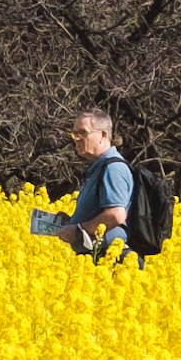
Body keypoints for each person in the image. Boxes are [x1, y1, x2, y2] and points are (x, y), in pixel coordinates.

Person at [30, 105, 139, 263]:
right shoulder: (100, 167)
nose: (77, 138)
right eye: (74, 133)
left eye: (83, 132)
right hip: (96, 257)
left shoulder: (113, 168)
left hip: (110, 260)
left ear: (102, 135)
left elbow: (116, 214)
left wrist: (78, 230)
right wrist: (71, 221)